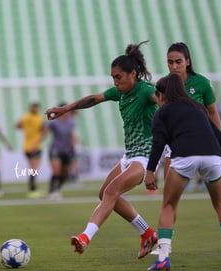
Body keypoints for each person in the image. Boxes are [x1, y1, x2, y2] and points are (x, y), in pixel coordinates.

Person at [45, 41, 158, 259]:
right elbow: (94, 98)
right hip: (131, 154)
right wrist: (65, 108)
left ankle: (85, 237)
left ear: (132, 74)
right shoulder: (121, 93)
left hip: (146, 155)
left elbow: (162, 101)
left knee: (111, 191)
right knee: (104, 193)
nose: (115, 82)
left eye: (118, 77)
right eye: (112, 77)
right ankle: (147, 233)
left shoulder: (146, 91)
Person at [144, 73, 221, 271]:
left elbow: (158, 144)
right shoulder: (198, 107)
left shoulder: (162, 112)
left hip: (185, 157)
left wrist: (150, 171)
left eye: (156, 97)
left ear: (161, 95)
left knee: (168, 205)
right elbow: (219, 136)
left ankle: (163, 258)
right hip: (213, 156)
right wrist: (220, 157)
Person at [162, 42, 221, 182]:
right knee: (169, 195)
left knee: (219, 200)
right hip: (175, 142)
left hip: (202, 140)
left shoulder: (202, 83)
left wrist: (219, 140)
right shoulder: (164, 85)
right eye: (170, 62)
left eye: (178, 62)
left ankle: (199, 179)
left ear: (187, 62)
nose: (174, 67)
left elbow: (213, 112)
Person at [43, 103, 77, 201]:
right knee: (56, 171)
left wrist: (74, 143)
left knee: (64, 173)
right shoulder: (54, 121)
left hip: (67, 150)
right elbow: (45, 132)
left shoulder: (71, 122)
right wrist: (37, 143)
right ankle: (52, 191)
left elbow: (71, 134)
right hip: (55, 149)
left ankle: (57, 189)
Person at [15, 102, 45, 199]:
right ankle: (32, 190)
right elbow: (44, 131)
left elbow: (17, 126)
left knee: (33, 169)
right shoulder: (39, 118)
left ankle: (34, 188)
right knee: (34, 169)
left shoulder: (25, 117)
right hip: (35, 146)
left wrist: (26, 128)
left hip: (27, 146)